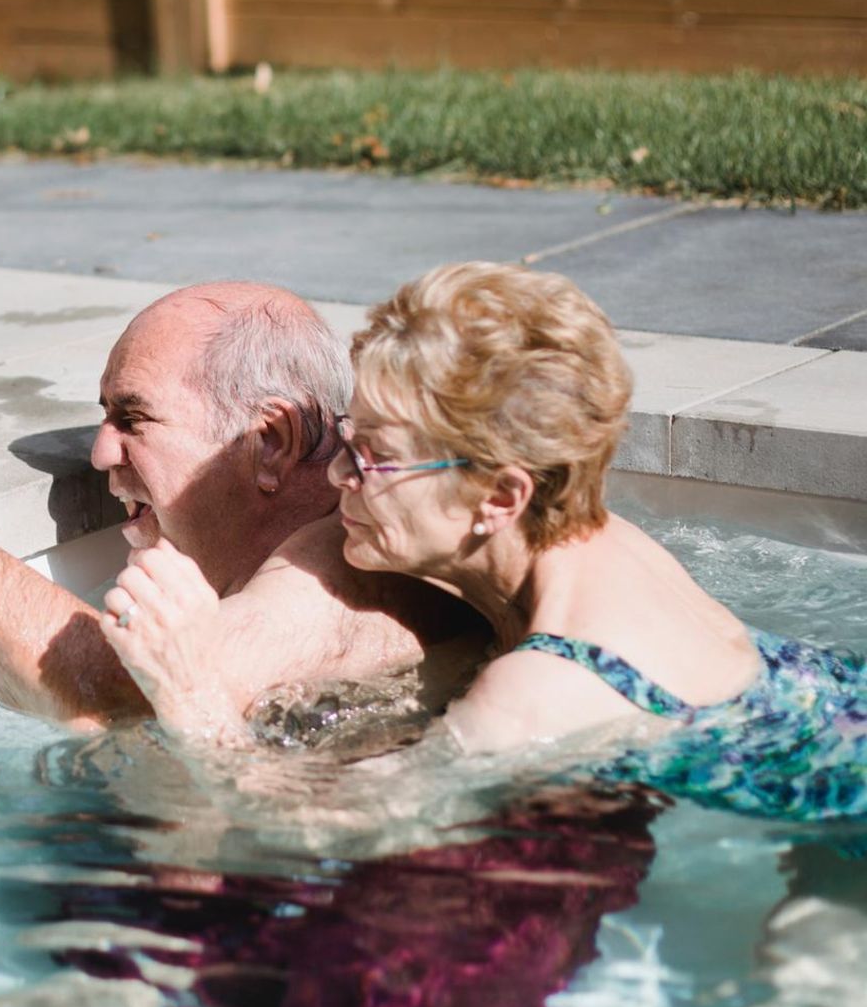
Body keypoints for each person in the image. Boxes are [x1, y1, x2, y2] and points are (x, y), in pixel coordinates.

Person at [103, 262, 867, 821]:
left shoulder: (539, 688)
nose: (334, 472)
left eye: (370, 457)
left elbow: (323, 829)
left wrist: (194, 693)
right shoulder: (597, 541)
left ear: (500, 496)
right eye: (346, 438)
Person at [0, 281, 483, 728]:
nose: (100, 454)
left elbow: (104, 689)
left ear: (272, 441)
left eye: (133, 420)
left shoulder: (341, 562)